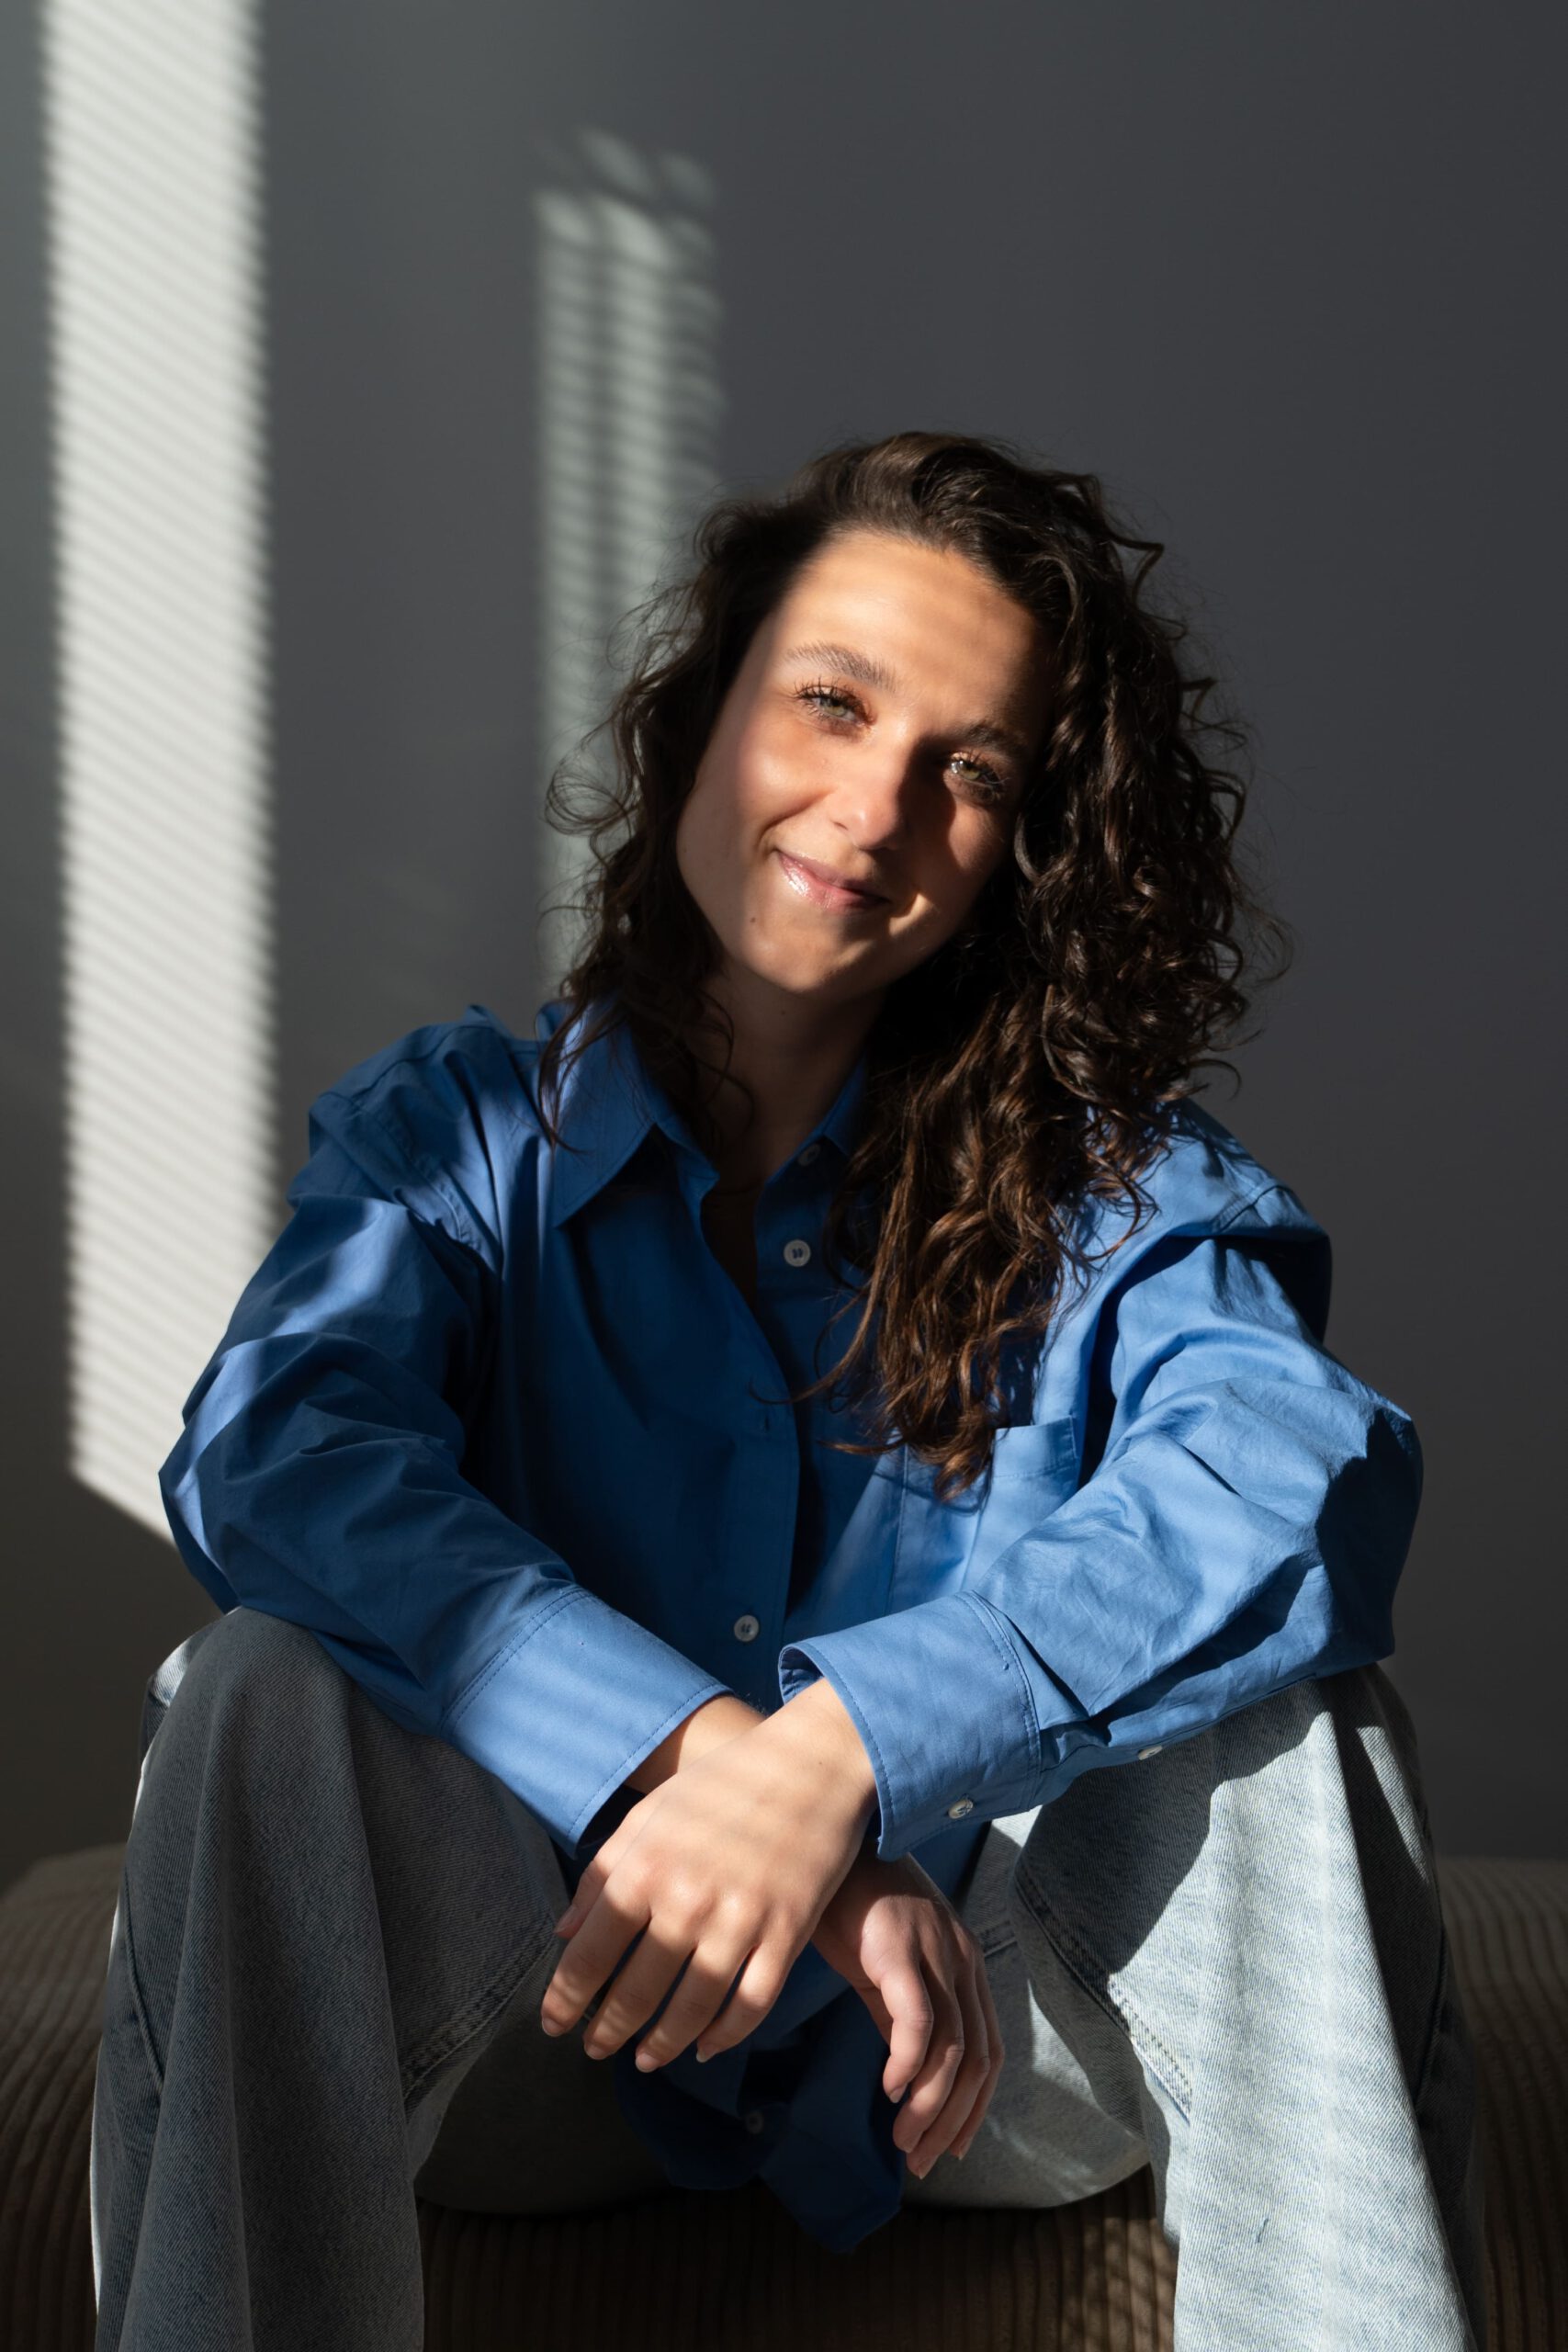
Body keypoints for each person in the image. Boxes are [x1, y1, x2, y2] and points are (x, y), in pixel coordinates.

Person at [89, 430, 1488, 2349]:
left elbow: (1297, 1475)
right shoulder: (459, 1135)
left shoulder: (1119, 1190)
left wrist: (847, 1761)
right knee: (255, 1685)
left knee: (1290, 1719)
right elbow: (275, 1449)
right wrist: (699, 1770)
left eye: (969, 771)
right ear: (703, 715)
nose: (873, 805)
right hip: (540, 2031)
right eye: (831, 701)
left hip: (970, 2062)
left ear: (1023, 849)